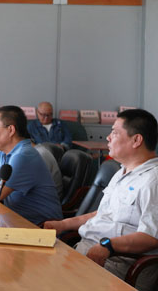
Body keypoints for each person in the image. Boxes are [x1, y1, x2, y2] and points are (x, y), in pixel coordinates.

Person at [43, 109, 158, 291]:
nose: (108, 138)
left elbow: (150, 237)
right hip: (87, 252)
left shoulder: (153, 180)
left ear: (136, 140)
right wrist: (62, 224)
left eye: (115, 132)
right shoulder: (122, 172)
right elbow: (102, 214)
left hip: (118, 264)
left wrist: (108, 245)